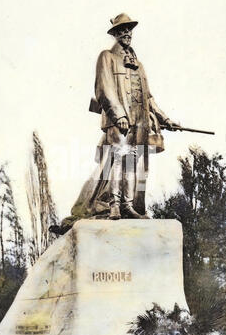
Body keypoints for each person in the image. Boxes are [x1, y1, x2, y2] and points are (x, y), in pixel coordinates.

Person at [58, 13, 178, 233]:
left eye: (129, 30)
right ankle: (113, 205)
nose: (126, 34)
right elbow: (104, 89)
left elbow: (148, 97)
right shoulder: (107, 57)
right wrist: (119, 115)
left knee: (132, 163)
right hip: (119, 121)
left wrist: (165, 118)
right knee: (117, 160)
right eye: (121, 30)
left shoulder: (138, 65)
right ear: (114, 34)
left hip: (140, 124)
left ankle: (128, 205)